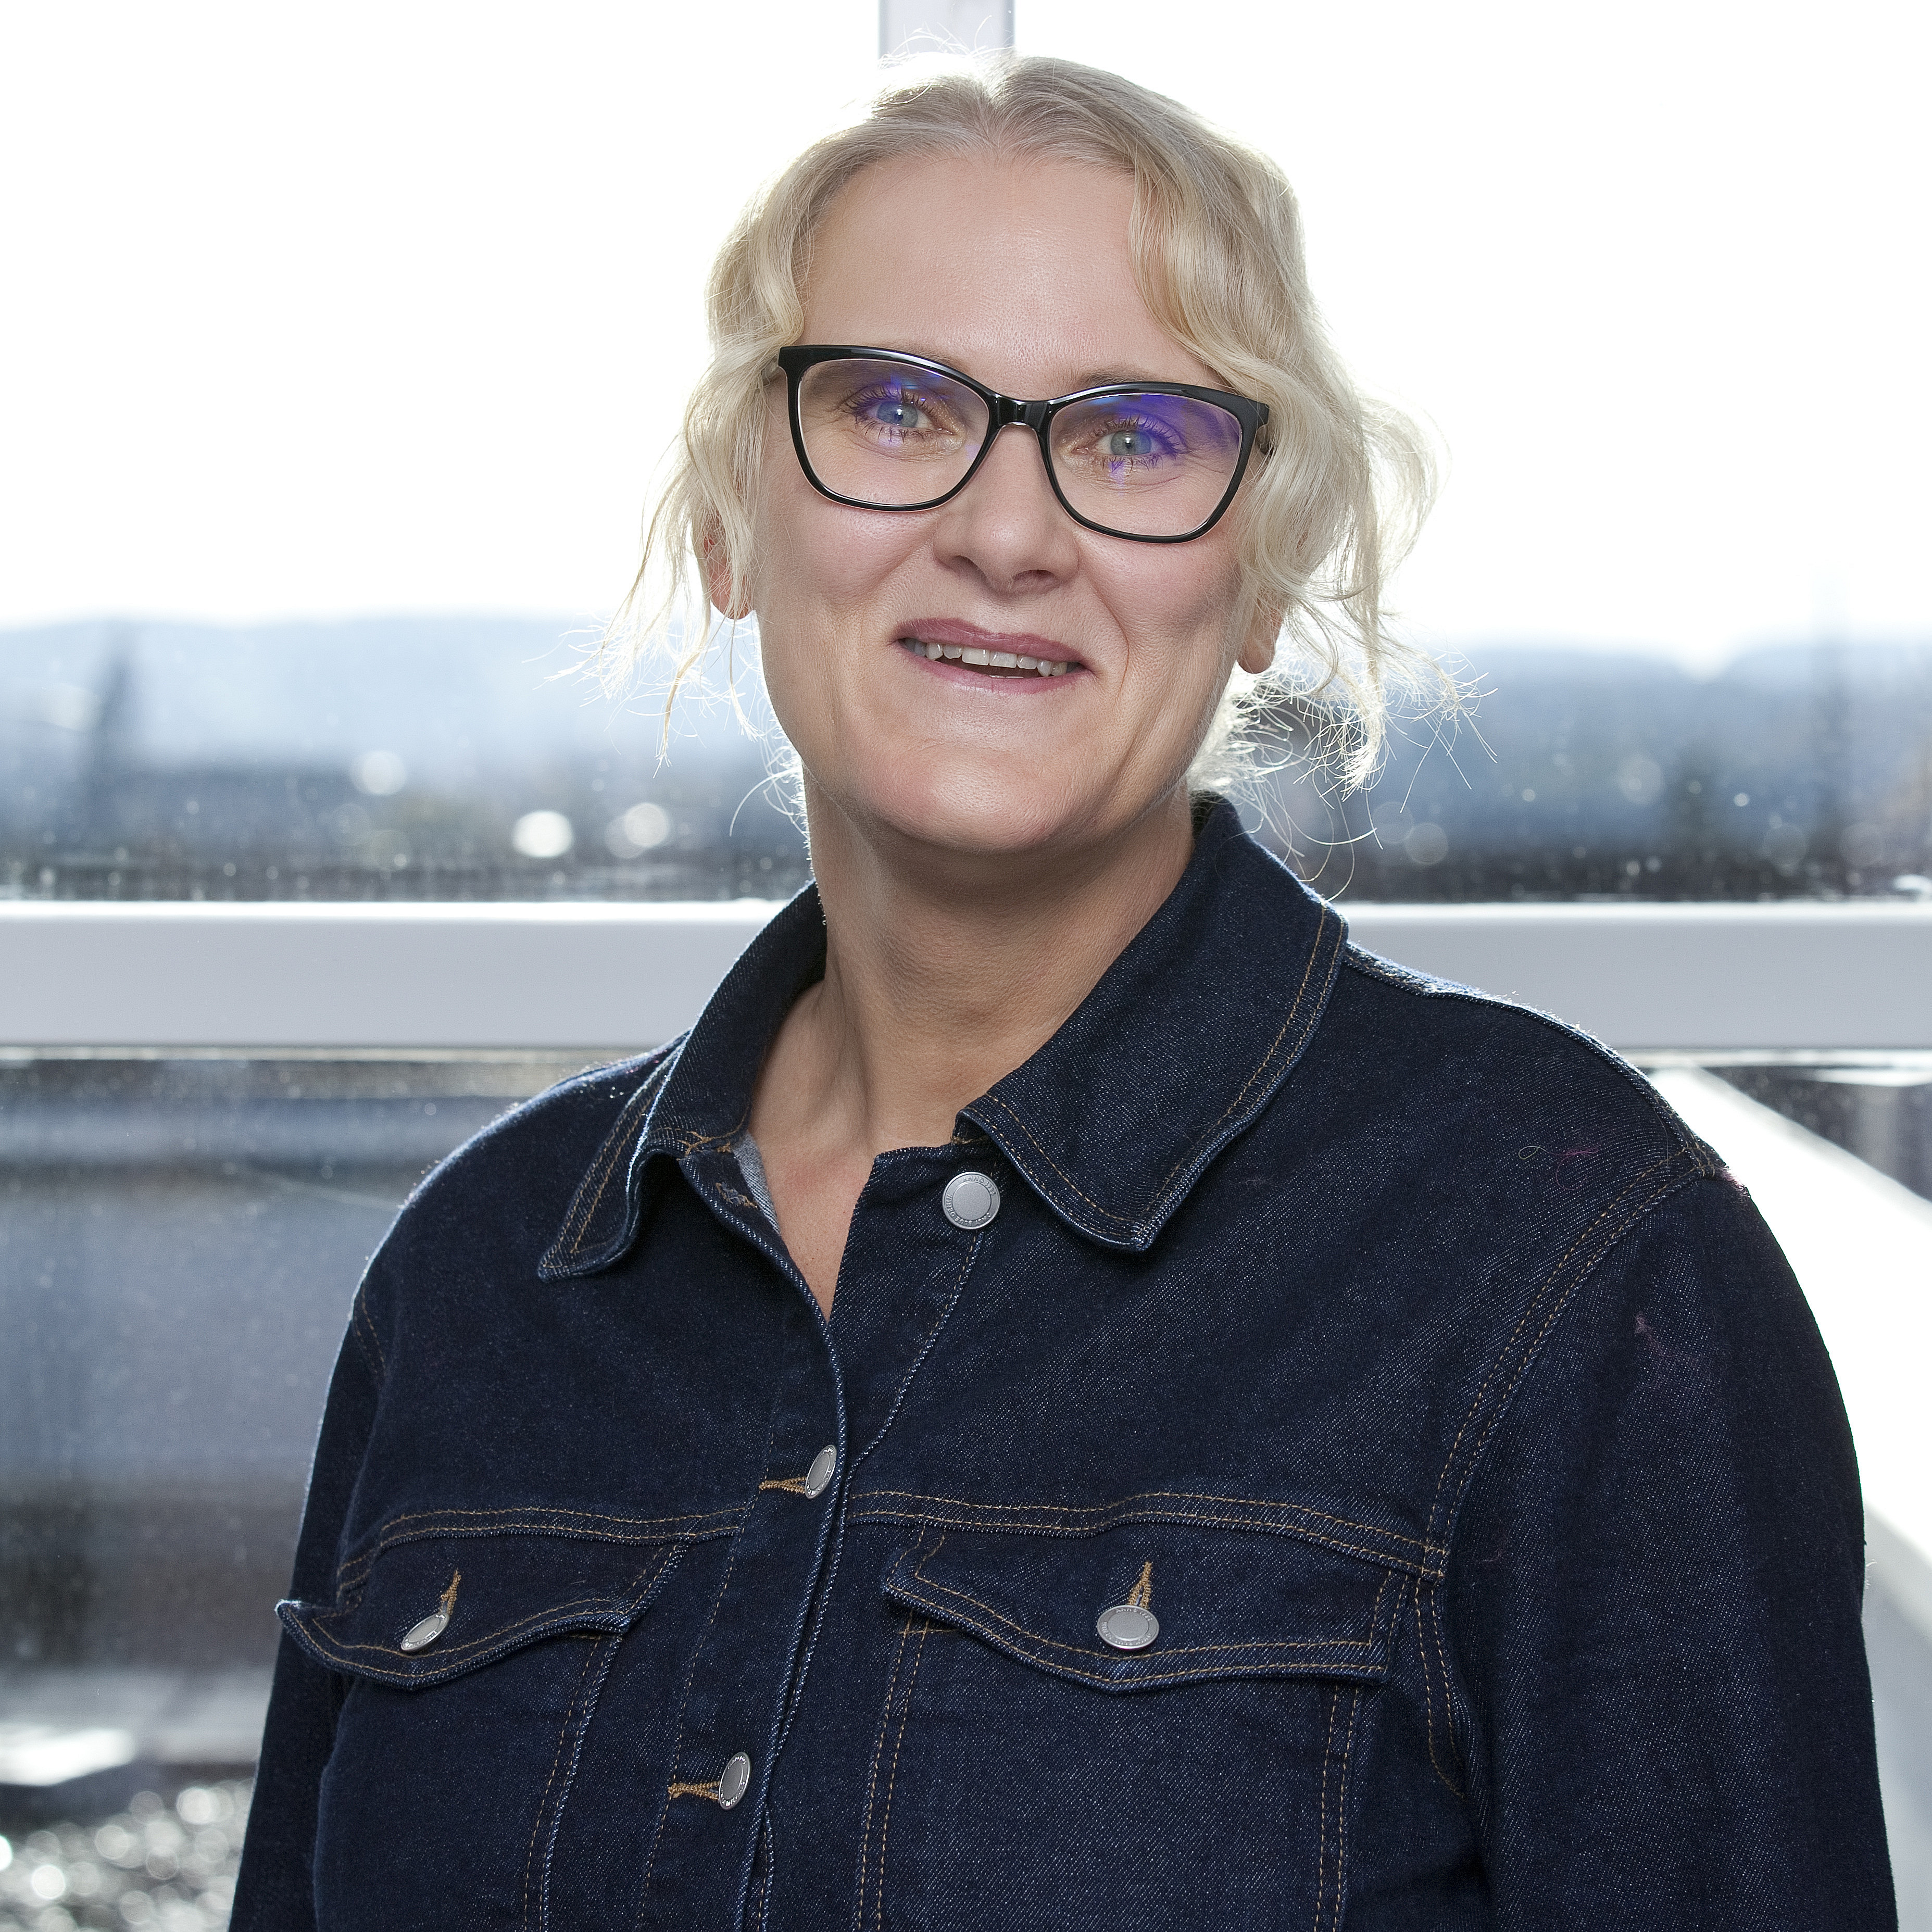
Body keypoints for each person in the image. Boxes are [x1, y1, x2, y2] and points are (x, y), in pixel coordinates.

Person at [233, 54, 1895, 1930]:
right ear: (729, 524)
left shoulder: (1572, 1256)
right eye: (890, 404)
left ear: (1260, 580)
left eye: (1134, 439)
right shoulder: (481, 1274)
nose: (1008, 534)